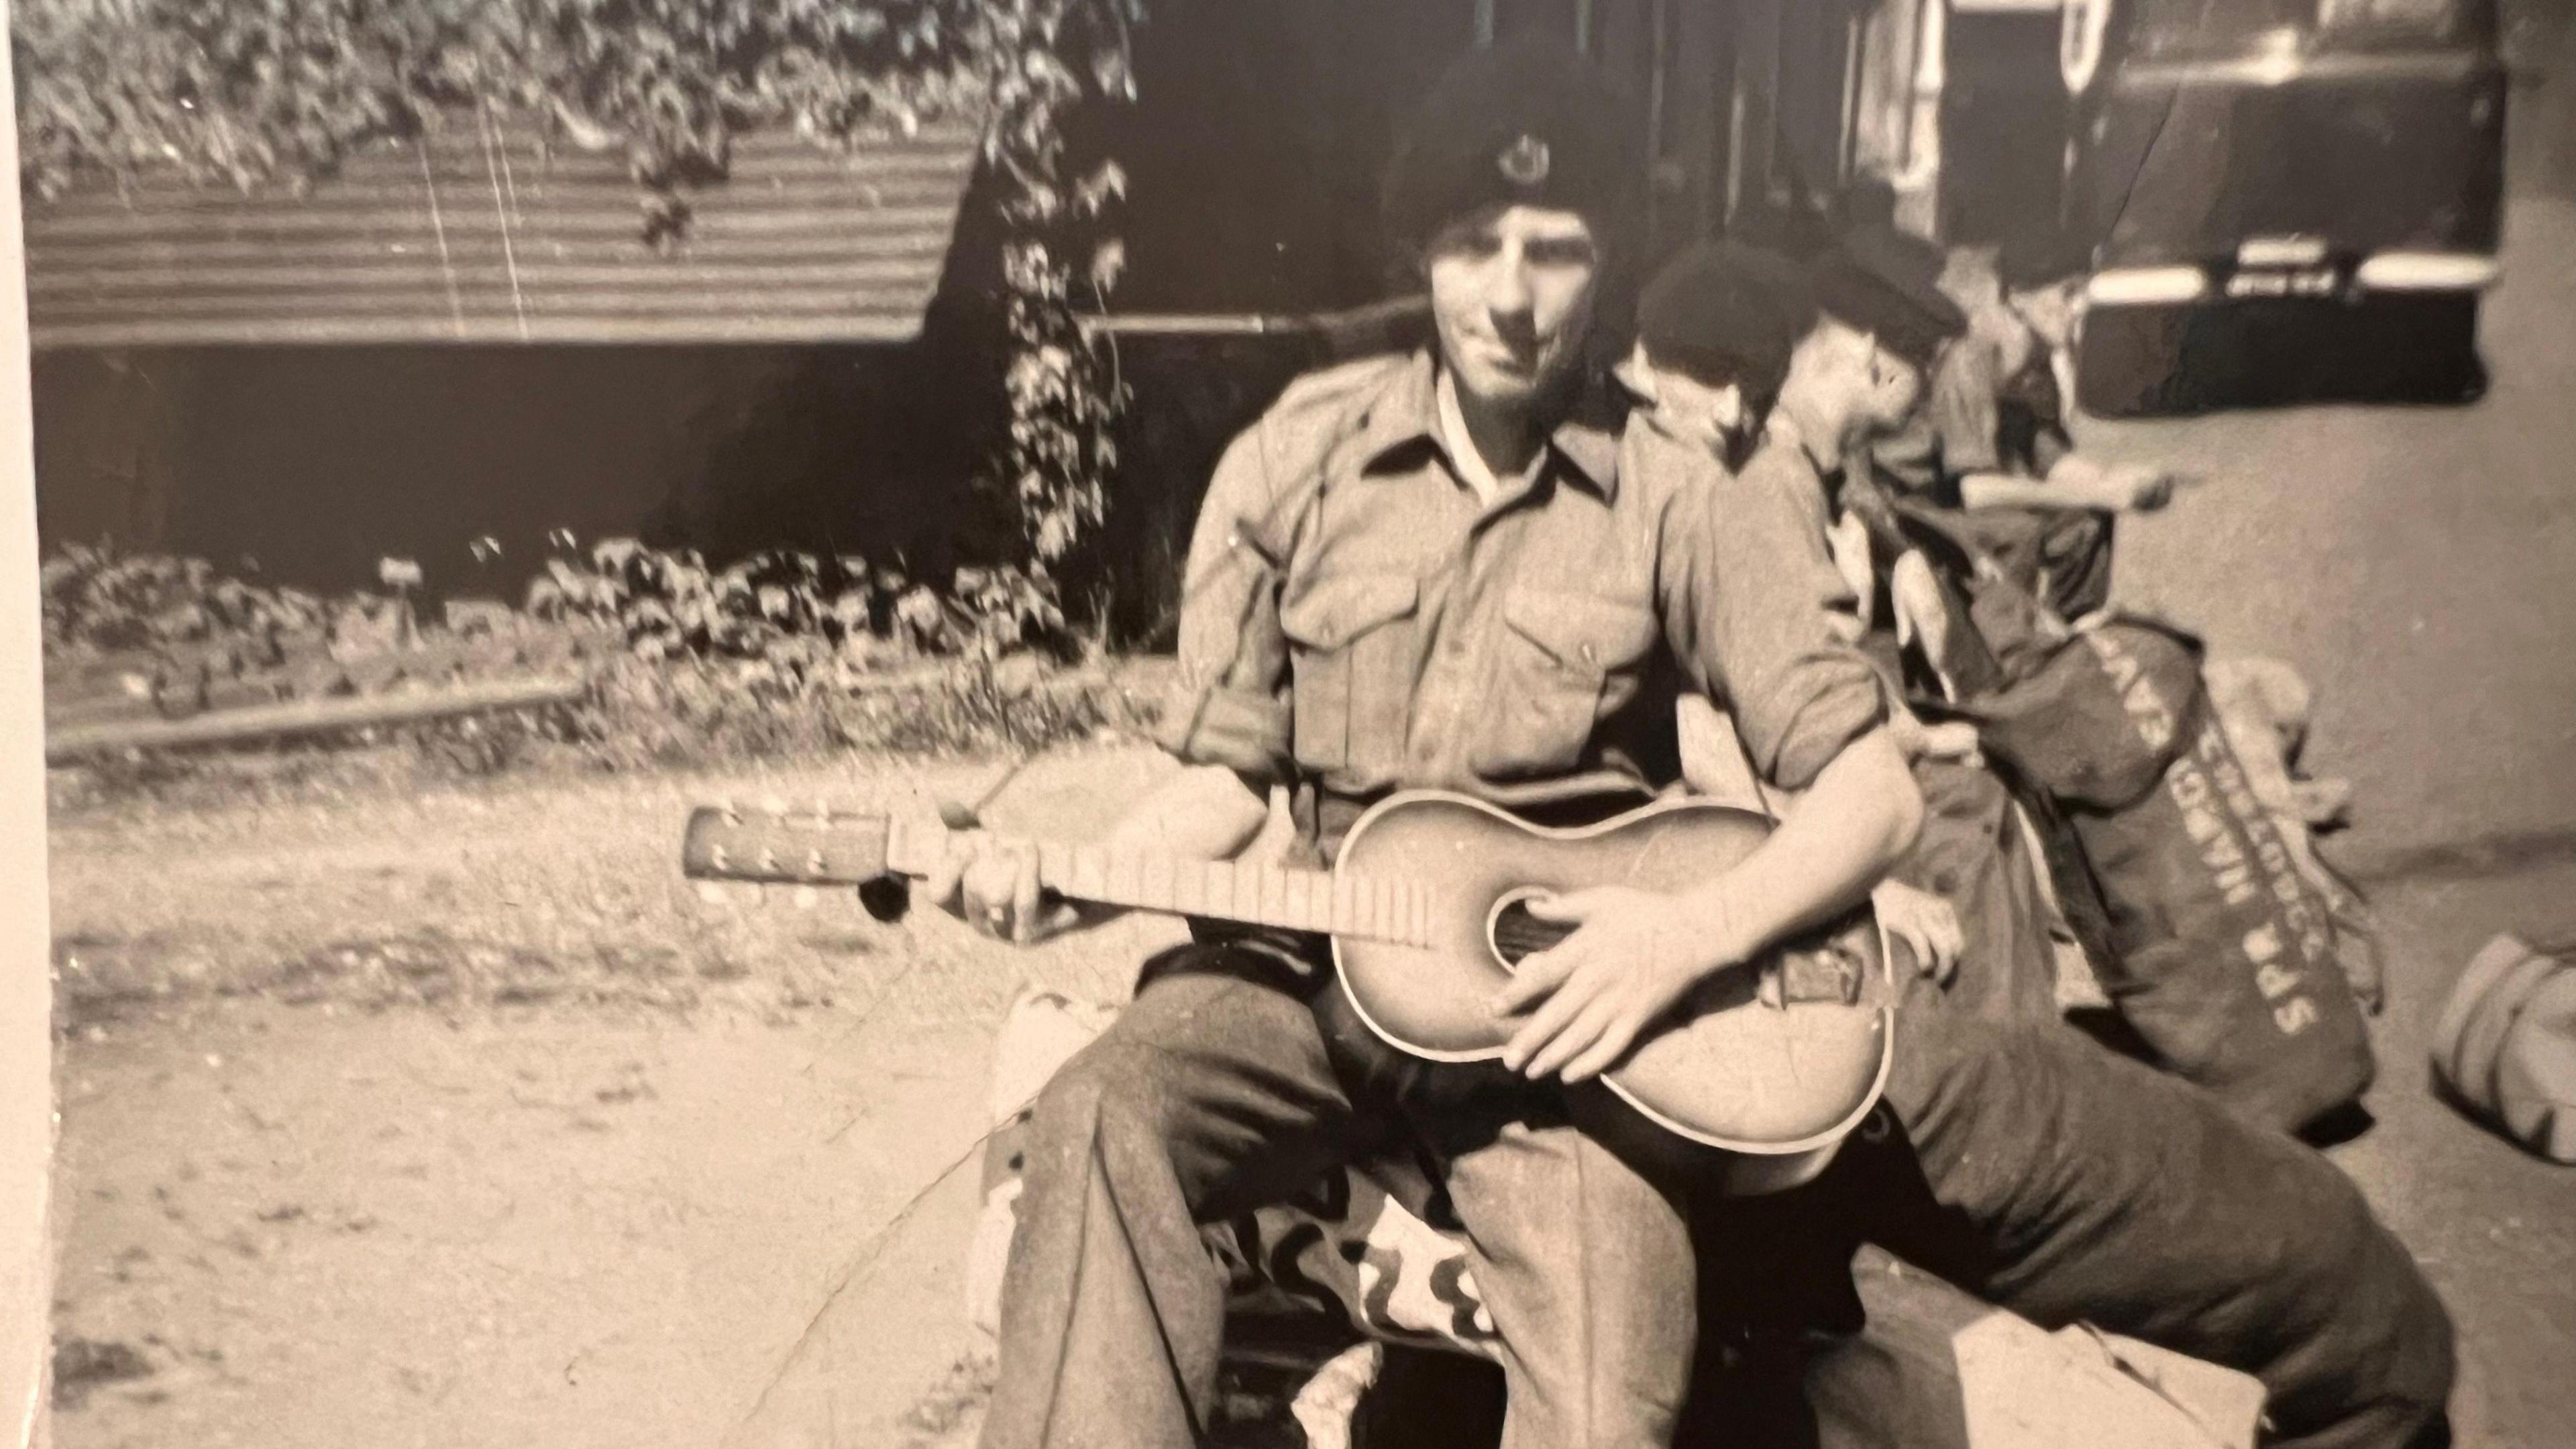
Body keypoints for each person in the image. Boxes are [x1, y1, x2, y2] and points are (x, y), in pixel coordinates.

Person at [940, 41, 1925, 1449]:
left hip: (1559, 1045)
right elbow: (1229, 778)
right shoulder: (1301, 457)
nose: (1513, 298)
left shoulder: (1675, 495)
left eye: (1557, 249)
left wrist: (1678, 941)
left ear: (1611, 267)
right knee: (1100, 1109)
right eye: (1476, 247)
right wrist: (1078, 878)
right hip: (1305, 978)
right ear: (1426, 255)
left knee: (1603, 1392)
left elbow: (1874, 799)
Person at [1648, 227, 2457, 1449]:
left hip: (1859, 1037)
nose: (1729, 421)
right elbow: (1717, 740)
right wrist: (1849, 874)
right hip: (1850, 1043)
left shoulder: (1742, 489)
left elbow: (1772, 724)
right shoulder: (1741, 496)